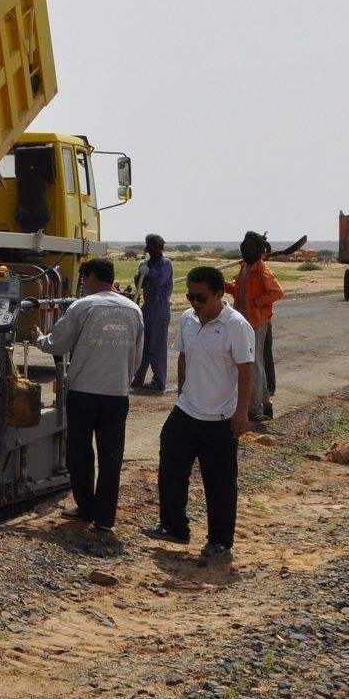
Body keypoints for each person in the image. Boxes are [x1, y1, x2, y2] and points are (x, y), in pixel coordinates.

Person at [142, 265, 253, 565]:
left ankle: (219, 541)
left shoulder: (236, 326)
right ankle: (174, 527)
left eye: (201, 297)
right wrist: (181, 393)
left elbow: (246, 370)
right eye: (191, 296)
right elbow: (184, 355)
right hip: (186, 411)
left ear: (219, 294)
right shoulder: (189, 319)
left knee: (219, 483)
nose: (195, 303)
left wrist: (242, 412)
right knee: (171, 468)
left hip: (219, 419)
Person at [36, 257, 143, 532]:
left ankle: (86, 507)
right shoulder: (134, 310)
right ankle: (105, 518)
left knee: (79, 453)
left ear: (94, 277)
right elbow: (137, 355)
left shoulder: (83, 307)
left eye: (84, 280)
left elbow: (58, 343)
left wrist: (39, 338)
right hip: (117, 393)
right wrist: (124, 380)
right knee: (111, 456)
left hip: (84, 392)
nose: (83, 286)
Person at [228, 231, 285, 423]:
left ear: (258, 250)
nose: (245, 248)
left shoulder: (262, 270)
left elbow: (277, 292)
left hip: (256, 321)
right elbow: (239, 290)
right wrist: (223, 285)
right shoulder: (245, 267)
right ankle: (263, 404)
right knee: (248, 362)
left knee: (254, 363)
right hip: (243, 320)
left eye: (250, 245)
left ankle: (256, 407)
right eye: (244, 244)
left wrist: (258, 302)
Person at [130, 234, 174, 392]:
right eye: (149, 245)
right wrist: (139, 275)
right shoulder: (145, 263)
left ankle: (159, 380)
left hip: (160, 308)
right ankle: (138, 377)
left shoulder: (166, 264)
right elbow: (140, 285)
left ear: (161, 247)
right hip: (147, 307)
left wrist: (148, 272)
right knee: (143, 344)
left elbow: (159, 280)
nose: (151, 249)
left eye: (154, 245)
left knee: (158, 345)